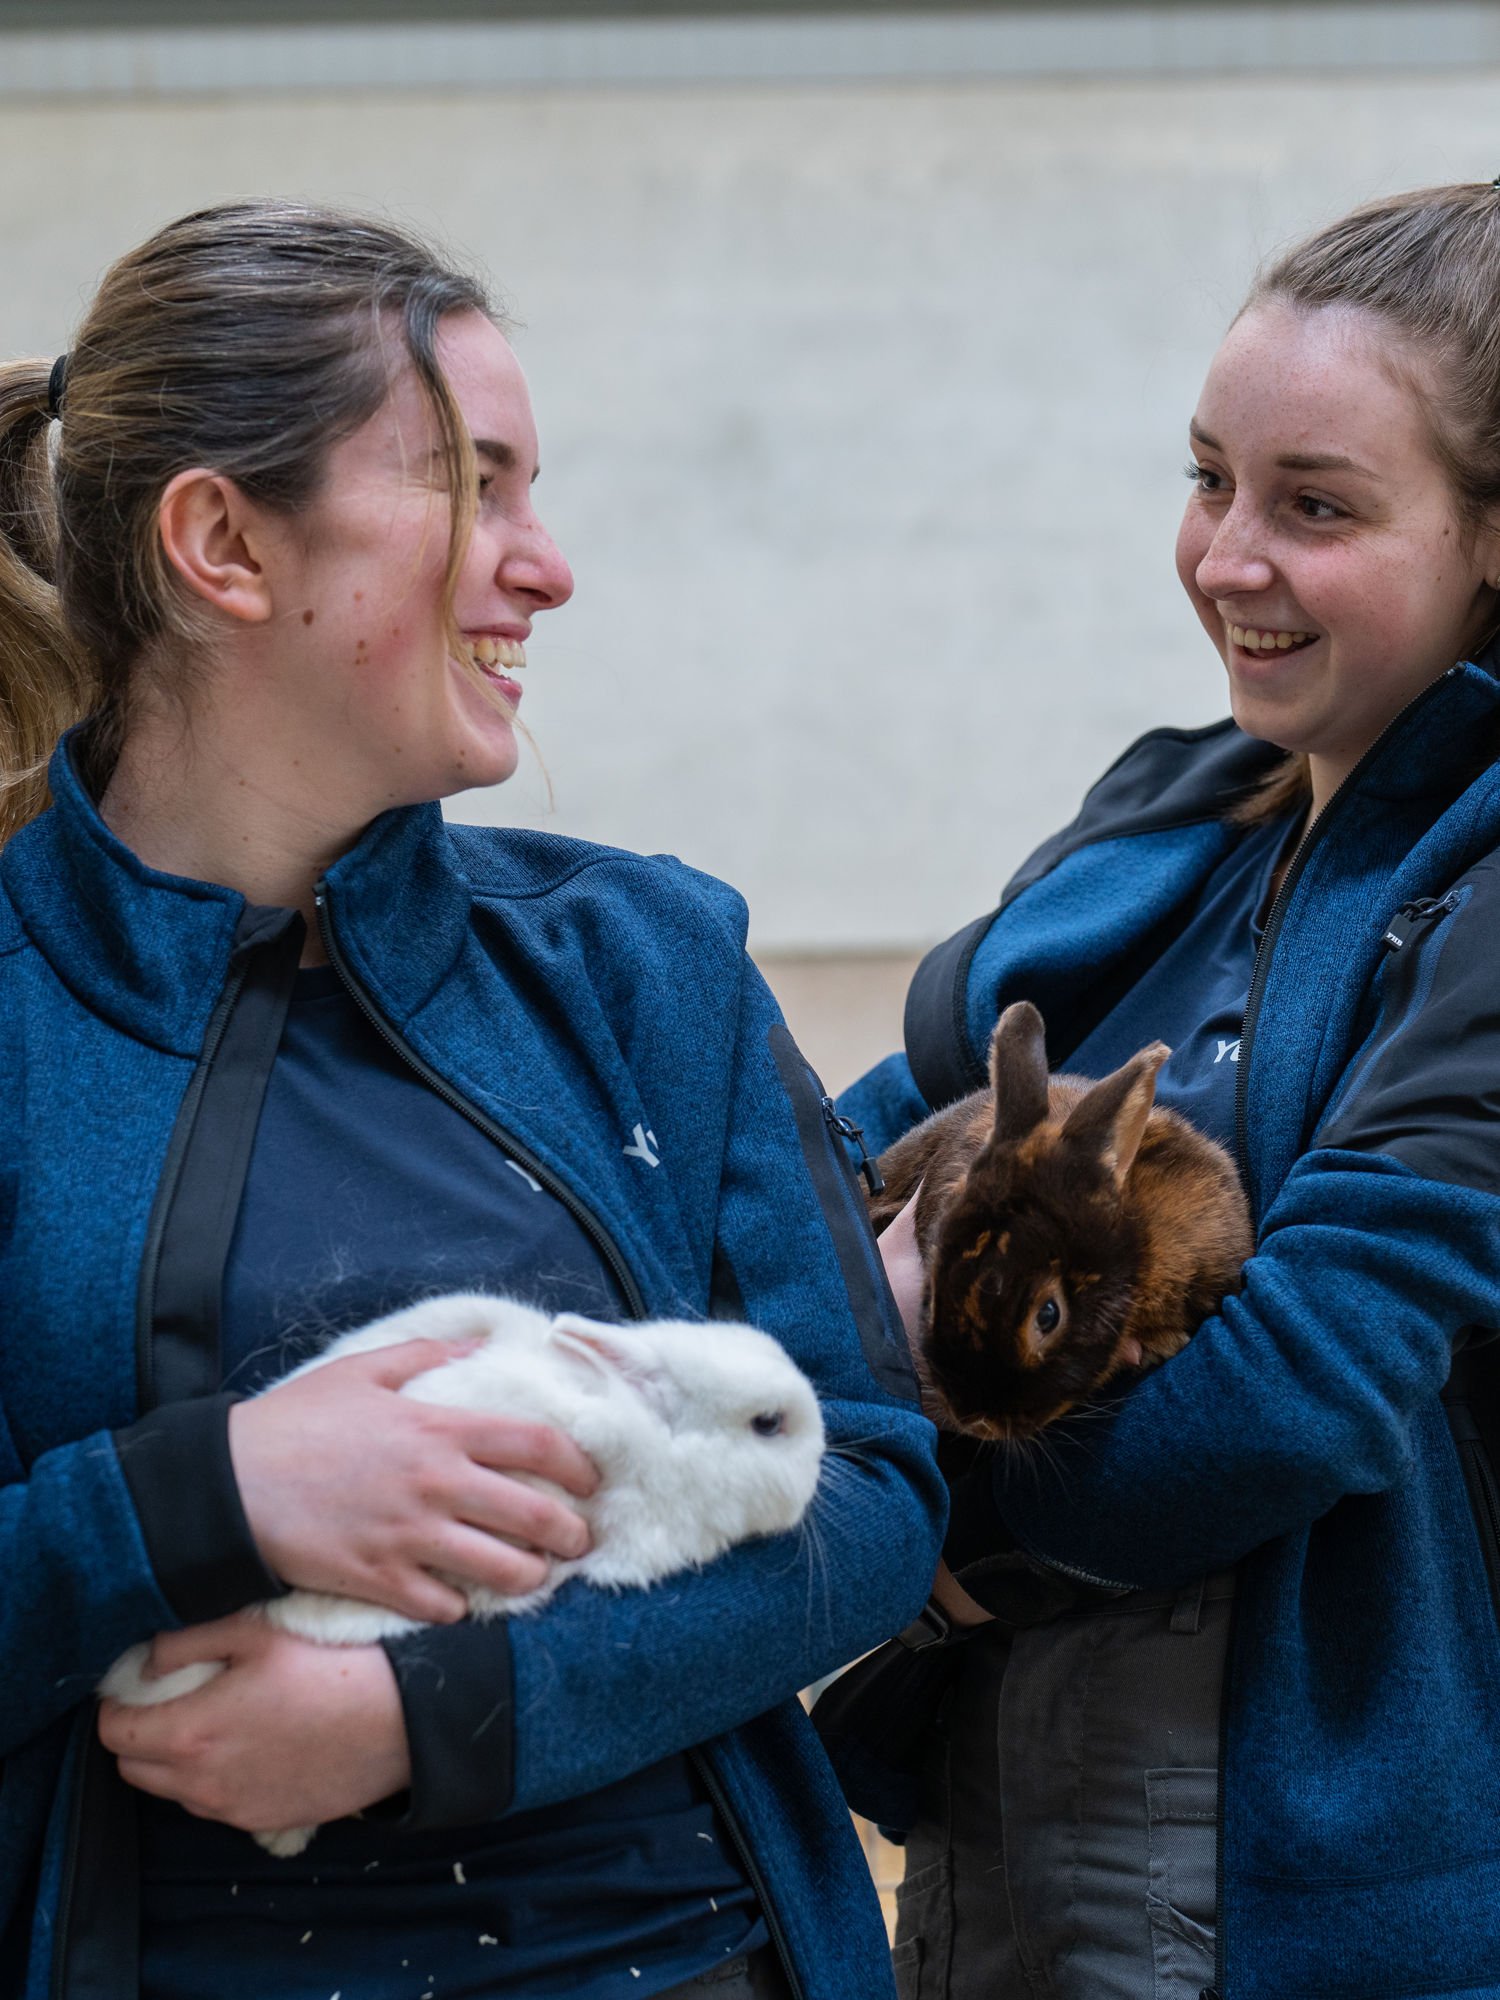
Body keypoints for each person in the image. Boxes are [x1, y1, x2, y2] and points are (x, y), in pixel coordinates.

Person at [0, 200, 945, 2000]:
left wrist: (427, 1714)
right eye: (474, 484)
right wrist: (222, 1492)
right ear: (221, 543)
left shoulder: (648, 960)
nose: (546, 566)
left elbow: (876, 1493)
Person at [822, 180, 1500, 2000]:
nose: (1225, 557)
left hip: (1306, 1870)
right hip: (1005, 1828)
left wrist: (906, 1523)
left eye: (1317, 506)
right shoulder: (1172, 823)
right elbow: (841, 1162)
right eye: (1209, 478)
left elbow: (1311, 1377)